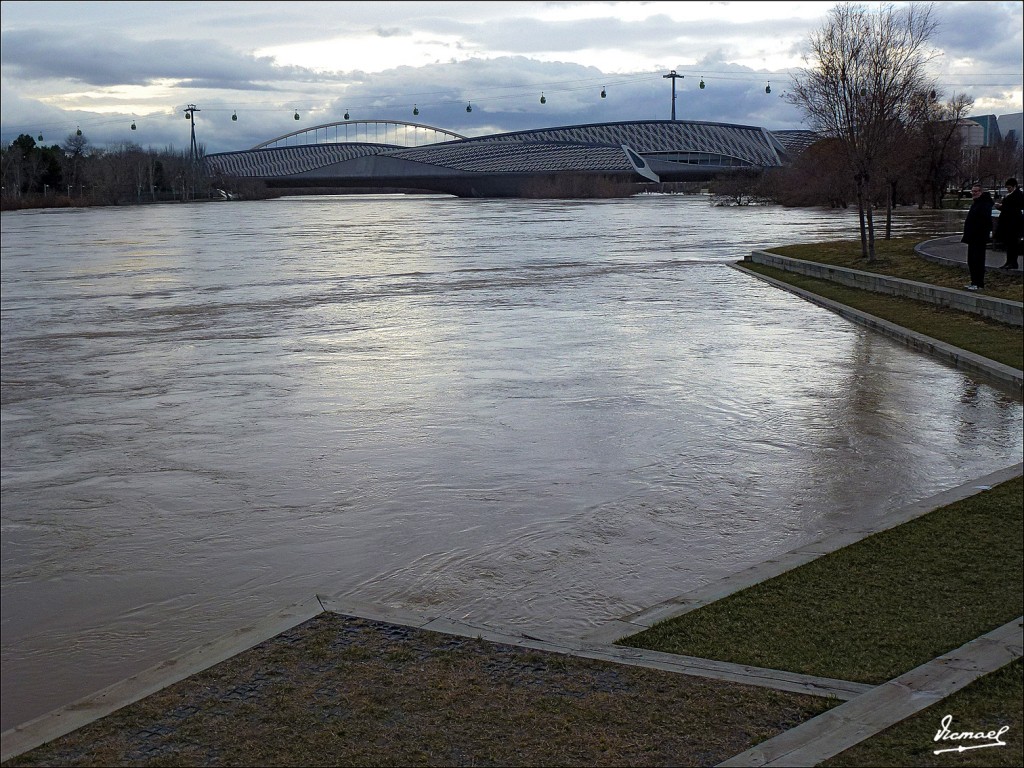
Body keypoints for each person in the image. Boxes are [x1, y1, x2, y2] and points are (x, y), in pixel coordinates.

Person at [961, 183, 993, 291]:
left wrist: (980, 233)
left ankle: (979, 284)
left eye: (976, 191)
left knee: (977, 261)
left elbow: (985, 221)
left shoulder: (984, 204)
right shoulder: (976, 203)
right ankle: (974, 282)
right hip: (972, 237)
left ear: (981, 192)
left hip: (978, 238)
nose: (973, 193)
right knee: (971, 261)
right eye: (972, 191)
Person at [994, 177, 1023, 270]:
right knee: (1008, 243)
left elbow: (1014, 209)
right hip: (1008, 222)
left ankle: (1013, 262)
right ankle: (1009, 261)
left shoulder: (1018, 195)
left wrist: (1002, 206)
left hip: (1013, 223)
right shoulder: (1010, 195)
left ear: (1014, 186)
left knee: (1013, 244)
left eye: (1009, 187)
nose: (1008, 189)